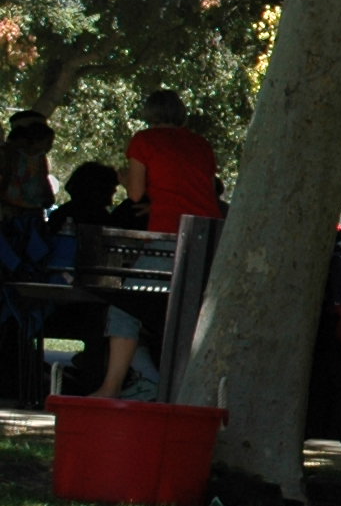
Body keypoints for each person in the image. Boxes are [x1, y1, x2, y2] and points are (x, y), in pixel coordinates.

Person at [45, 162, 156, 398]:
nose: (114, 193)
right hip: (88, 301)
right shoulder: (104, 219)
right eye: (111, 188)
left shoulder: (60, 215)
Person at [123, 89, 221, 237]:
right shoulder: (201, 143)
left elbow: (135, 194)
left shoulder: (144, 140)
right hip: (209, 228)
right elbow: (209, 190)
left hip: (171, 226)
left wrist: (125, 180)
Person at [1, 108, 52, 225]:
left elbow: (42, 177)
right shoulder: (8, 153)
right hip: (11, 206)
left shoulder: (39, 157)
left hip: (32, 207)